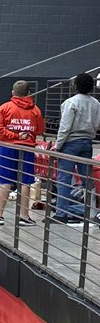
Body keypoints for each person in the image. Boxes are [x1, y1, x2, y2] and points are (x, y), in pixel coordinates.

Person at [0, 80, 45, 227]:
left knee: (5, 181)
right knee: (25, 182)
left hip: (8, 148)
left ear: (13, 93)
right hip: (27, 149)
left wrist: (13, 135)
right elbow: (40, 129)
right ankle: (24, 216)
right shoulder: (35, 110)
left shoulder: (5, 107)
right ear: (29, 93)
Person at [51, 73, 100, 226]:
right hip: (87, 142)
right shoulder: (96, 104)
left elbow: (64, 127)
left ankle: (62, 214)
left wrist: (57, 147)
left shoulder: (70, 102)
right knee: (87, 180)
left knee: (64, 178)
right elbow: (97, 124)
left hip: (71, 143)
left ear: (75, 86)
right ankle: (90, 213)